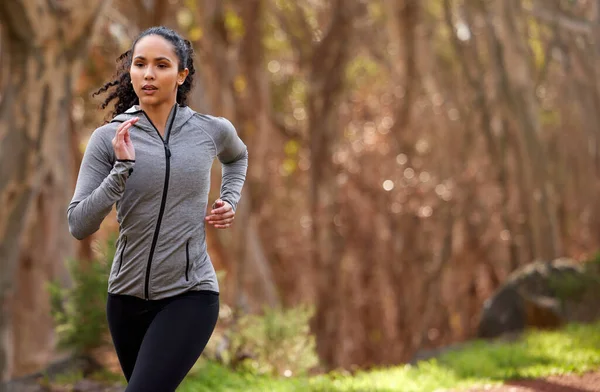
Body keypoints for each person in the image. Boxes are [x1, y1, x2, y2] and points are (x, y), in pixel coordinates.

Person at [67, 26, 248, 391]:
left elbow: (237, 157)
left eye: (161, 65)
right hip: (125, 298)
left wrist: (229, 199)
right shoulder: (109, 139)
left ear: (182, 75)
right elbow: (79, 223)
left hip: (190, 293)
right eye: (140, 64)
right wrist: (121, 170)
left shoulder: (210, 131)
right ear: (130, 73)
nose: (149, 74)